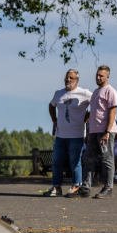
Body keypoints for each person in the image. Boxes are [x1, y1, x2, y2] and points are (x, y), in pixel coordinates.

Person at [69, 65, 117, 198]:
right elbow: (95, 112)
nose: (98, 77)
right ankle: (85, 188)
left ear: (107, 77)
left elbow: (112, 112)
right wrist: (89, 131)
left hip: (105, 131)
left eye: (101, 76)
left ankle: (108, 188)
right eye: (97, 75)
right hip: (93, 131)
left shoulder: (110, 91)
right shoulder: (96, 92)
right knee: (88, 159)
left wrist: (107, 131)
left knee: (107, 160)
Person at [44, 69, 91, 197]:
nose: (68, 80)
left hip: (76, 135)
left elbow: (97, 103)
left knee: (74, 161)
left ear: (77, 81)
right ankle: (57, 187)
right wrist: (54, 120)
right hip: (60, 135)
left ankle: (76, 186)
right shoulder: (59, 94)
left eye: (71, 78)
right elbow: (51, 105)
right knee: (56, 161)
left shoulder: (84, 93)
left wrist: (89, 115)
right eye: (67, 77)